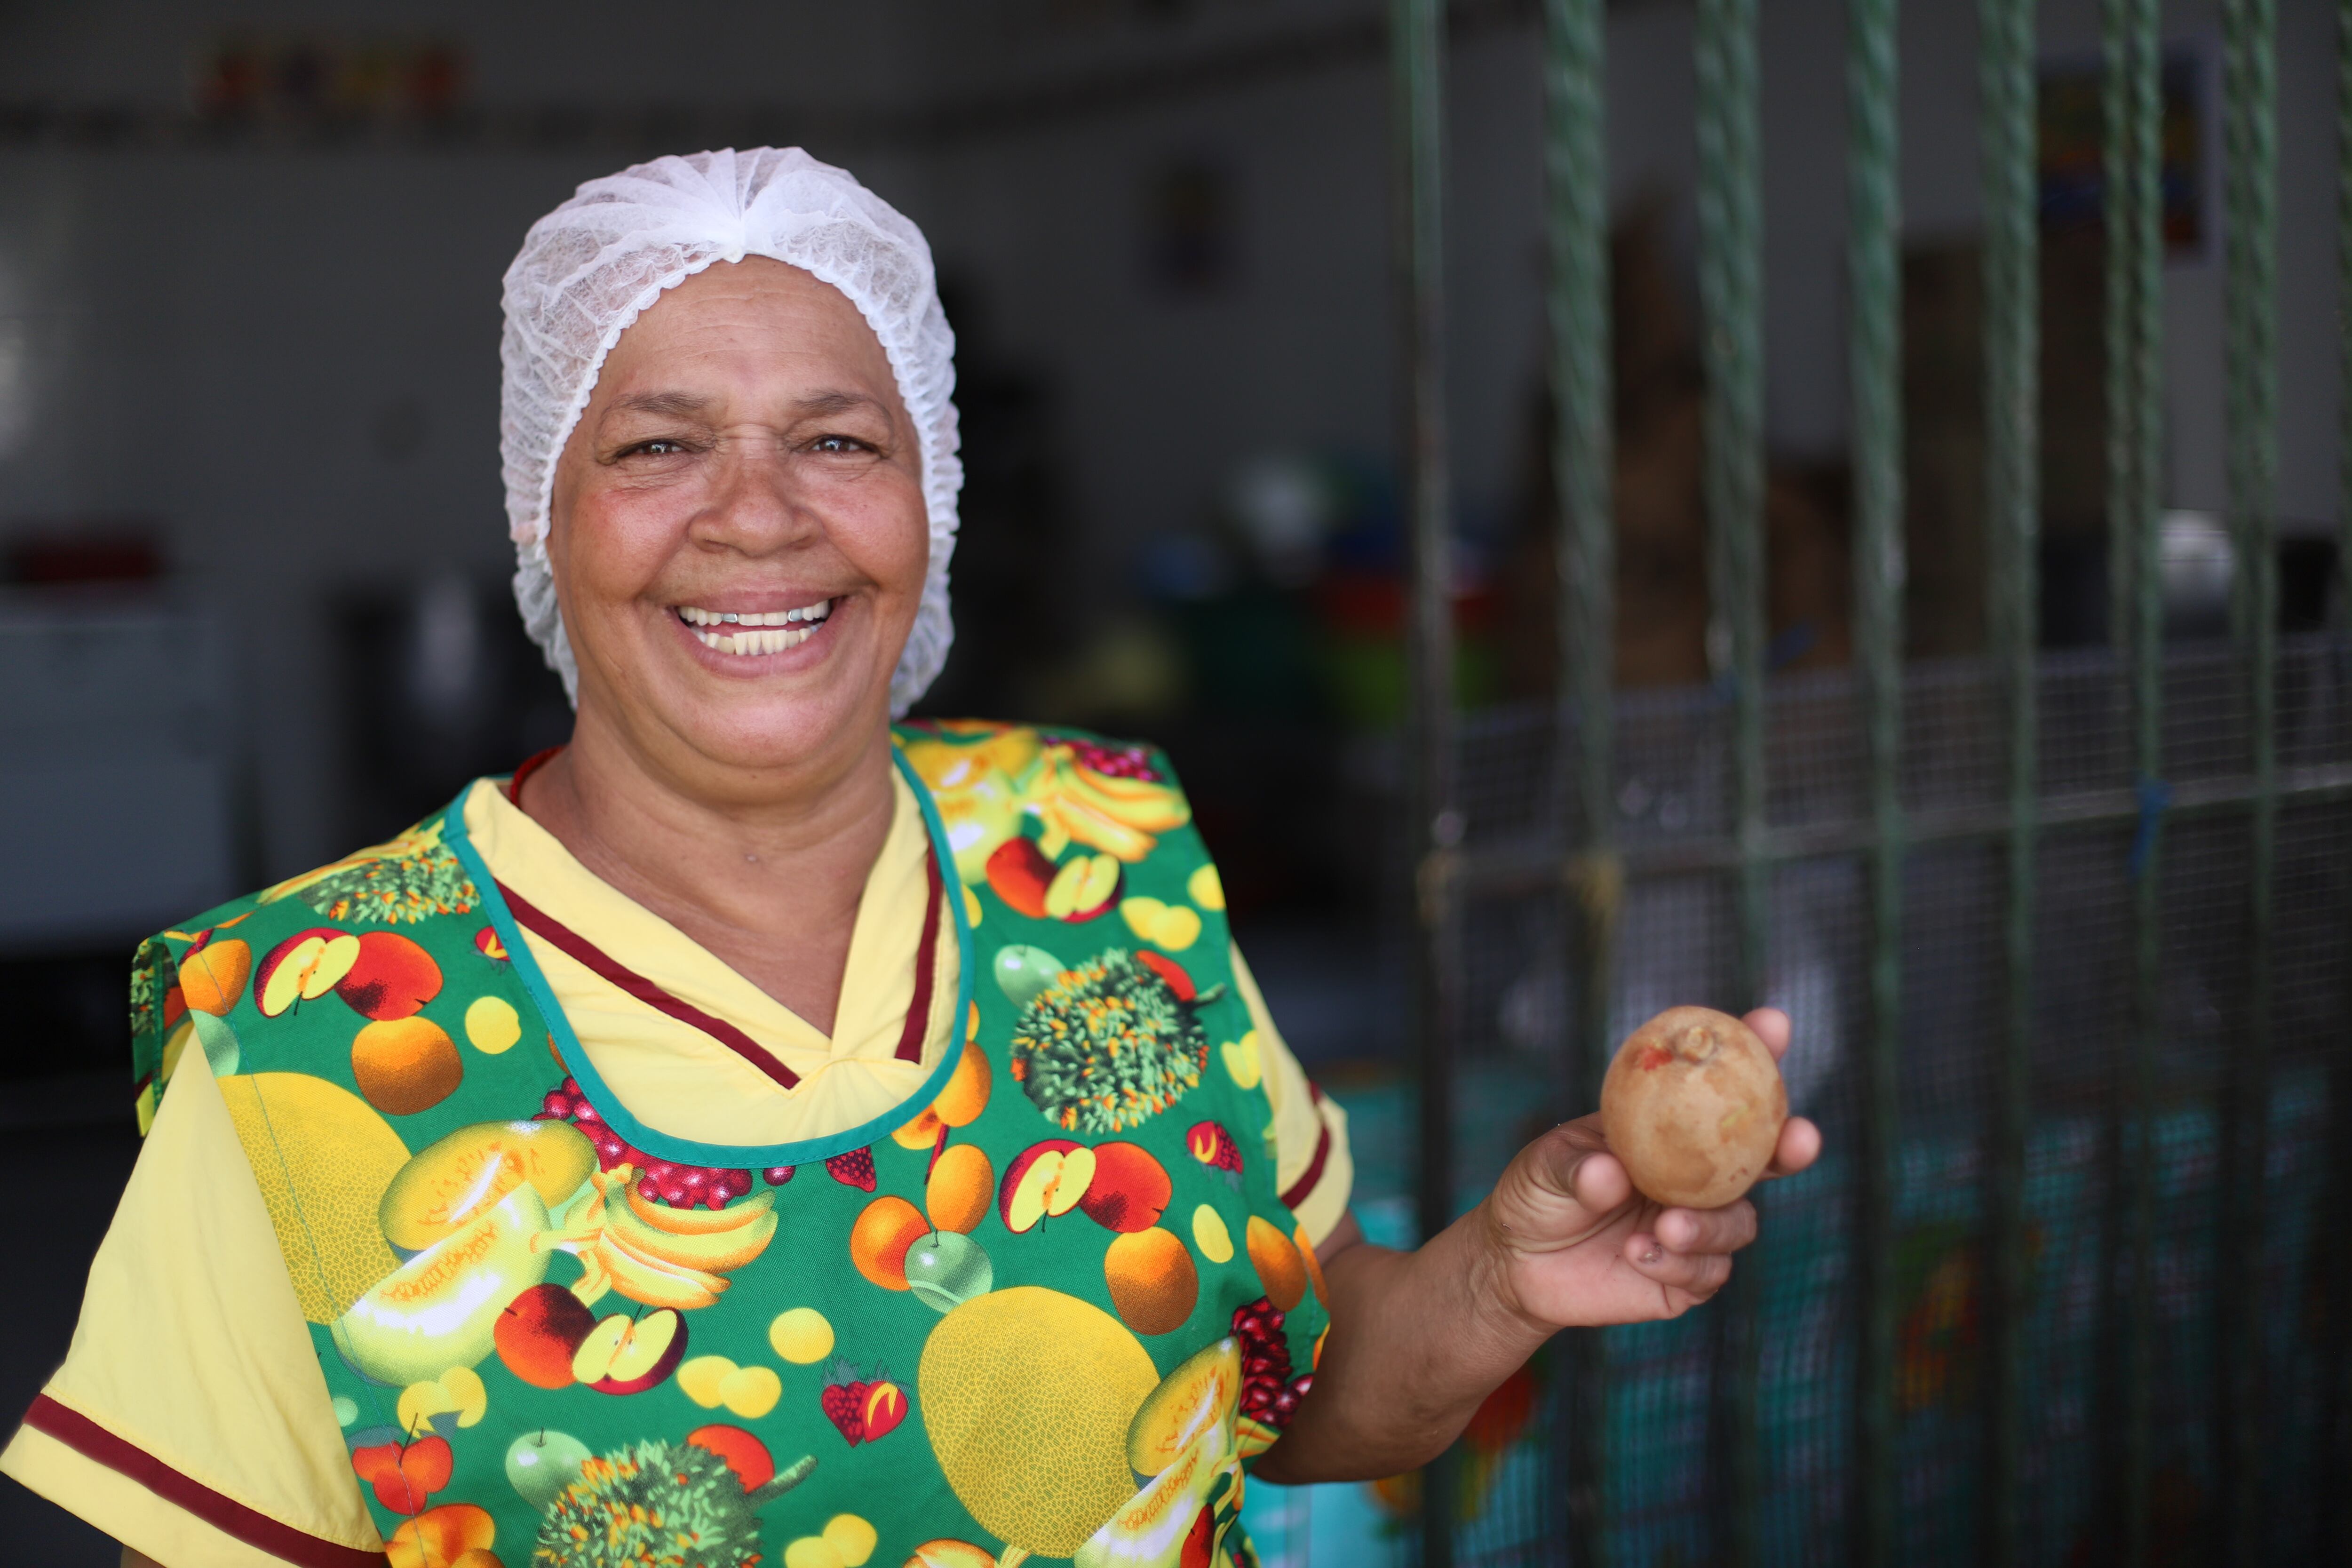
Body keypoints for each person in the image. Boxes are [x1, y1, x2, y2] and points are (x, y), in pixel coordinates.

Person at [2, 149, 1819, 1568]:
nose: (758, 514)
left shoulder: (1100, 852)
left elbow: (1299, 1386)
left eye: (835, 438)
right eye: (656, 445)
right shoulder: (308, 1037)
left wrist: (1496, 1281)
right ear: (545, 520)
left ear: (928, 499)